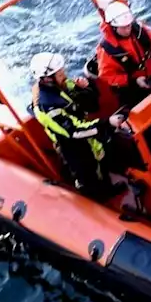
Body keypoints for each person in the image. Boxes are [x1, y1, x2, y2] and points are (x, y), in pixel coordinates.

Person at [30, 51, 125, 198]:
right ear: (48, 79)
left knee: (99, 162)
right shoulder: (47, 107)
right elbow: (74, 131)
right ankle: (98, 199)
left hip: (87, 134)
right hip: (72, 144)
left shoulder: (61, 85)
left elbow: (90, 103)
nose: (64, 76)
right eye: (60, 74)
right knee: (88, 173)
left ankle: (107, 187)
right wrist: (107, 123)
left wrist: (85, 87)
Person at [96, 0, 151, 105]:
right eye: (124, 27)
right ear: (113, 27)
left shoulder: (137, 30)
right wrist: (133, 81)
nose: (128, 30)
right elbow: (107, 76)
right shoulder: (107, 50)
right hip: (132, 89)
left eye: (129, 25)